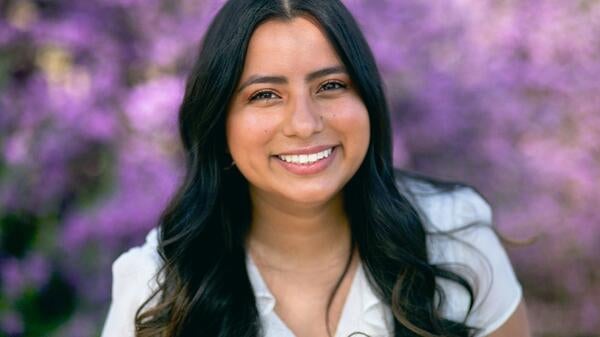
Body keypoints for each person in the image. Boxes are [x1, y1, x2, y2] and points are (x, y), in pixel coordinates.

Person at [101, 0, 531, 336]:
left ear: (368, 100)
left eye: (331, 86)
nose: (305, 124)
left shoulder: (454, 235)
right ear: (218, 122)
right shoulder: (158, 289)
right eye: (265, 95)